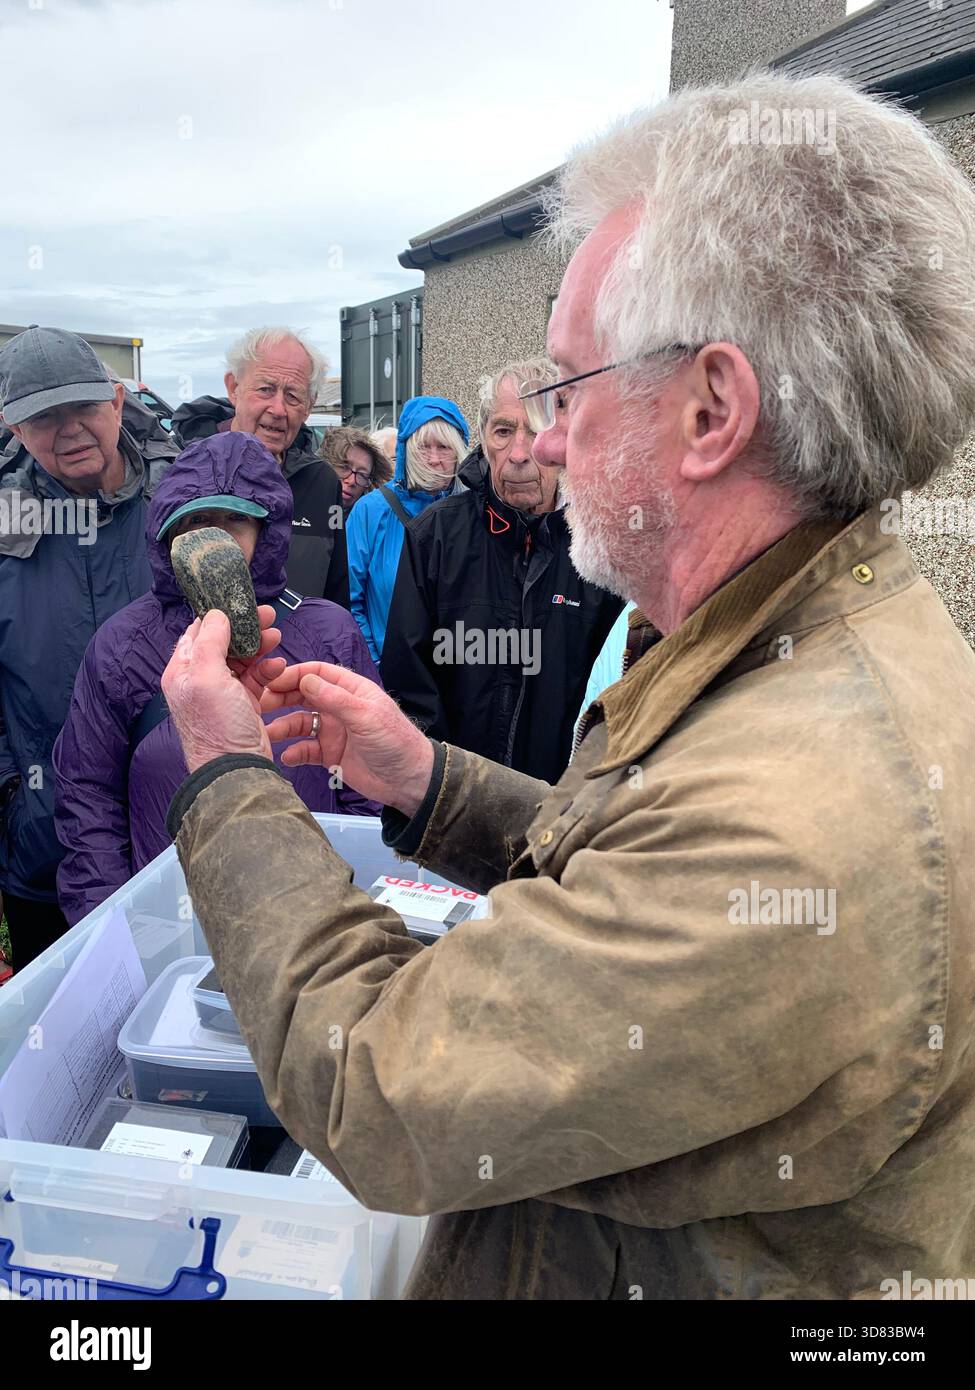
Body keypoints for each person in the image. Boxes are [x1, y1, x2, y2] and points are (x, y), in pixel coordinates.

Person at [159, 71, 975, 1300]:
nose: (537, 438)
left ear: (711, 409)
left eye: (566, 385)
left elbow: (380, 1084)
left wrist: (227, 778)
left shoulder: (796, 812)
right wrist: (424, 775)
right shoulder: (790, 647)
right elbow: (629, 879)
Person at [53, 432, 380, 926]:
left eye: (235, 520)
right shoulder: (122, 645)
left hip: (307, 912)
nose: (217, 539)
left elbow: (365, 780)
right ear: (168, 534)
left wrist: (357, 894)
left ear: (264, 533)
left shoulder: (327, 631)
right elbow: (87, 794)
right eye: (199, 522)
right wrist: (112, 925)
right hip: (174, 922)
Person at [0, 327, 176, 970]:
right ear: (14, 428)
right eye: (44, 417)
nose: (70, 429)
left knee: (180, 1043)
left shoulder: (181, 508)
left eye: (83, 408)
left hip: (175, 844)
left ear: (118, 401)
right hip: (44, 851)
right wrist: (16, 799)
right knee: (63, 1053)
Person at [381, 360, 624, 781]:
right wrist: (440, 789)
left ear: (565, 438)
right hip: (455, 805)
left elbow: (617, 690)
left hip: (563, 811)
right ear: (484, 439)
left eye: (535, 429)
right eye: (503, 431)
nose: (518, 454)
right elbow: (408, 683)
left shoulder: (605, 544)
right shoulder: (435, 535)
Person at [171, 328, 349, 607]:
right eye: (265, 389)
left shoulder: (321, 482)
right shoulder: (182, 473)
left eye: (293, 396)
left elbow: (337, 593)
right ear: (234, 388)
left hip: (304, 651)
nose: (278, 410)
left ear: (309, 405)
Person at [346, 397, 468, 662]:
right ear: (406, 450)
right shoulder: (370, 511)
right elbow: (350, 601)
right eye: (424, 447)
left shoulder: (472, 514)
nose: (434, 459)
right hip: (388, 679)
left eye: (444, 447)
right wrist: (376, 669)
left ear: (459, 452)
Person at [319, 426, 392, 513]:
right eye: (344, 467)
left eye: (362, 475)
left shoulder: (370, 520)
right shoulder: (300, 503)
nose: (352, 481)